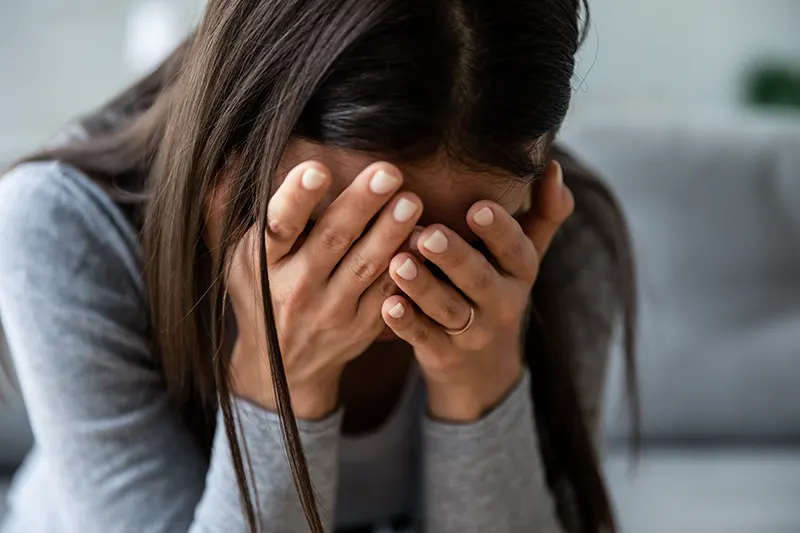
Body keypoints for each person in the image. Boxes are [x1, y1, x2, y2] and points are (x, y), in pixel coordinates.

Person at [0, 0, 637, 532]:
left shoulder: (562, 236)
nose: (395, 278)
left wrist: (482, 382)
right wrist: (279, 383)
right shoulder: (61, 226)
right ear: (232, 139)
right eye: (346, 229)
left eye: (465, 243)